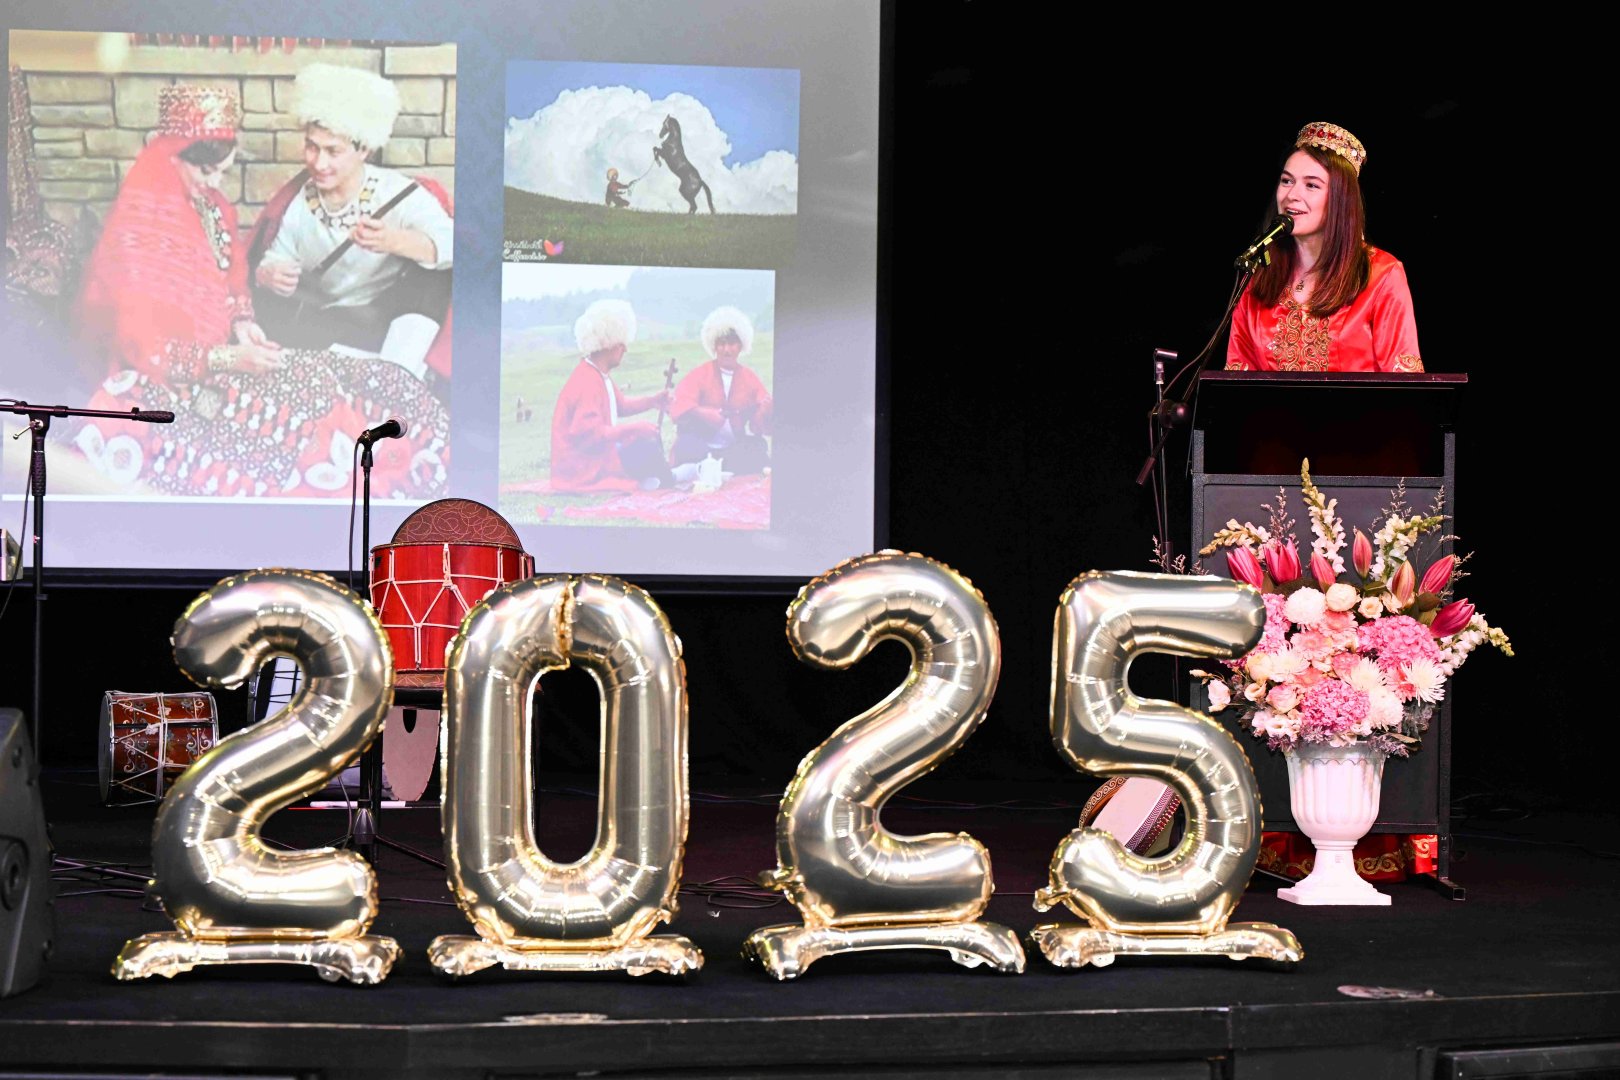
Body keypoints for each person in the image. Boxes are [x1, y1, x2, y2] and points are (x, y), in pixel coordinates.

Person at [72, 84, 448, 499]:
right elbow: (144, 345)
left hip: (253, 352)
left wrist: (244, 321)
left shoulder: (213, 206)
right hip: (171, 375)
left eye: (222, 172)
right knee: (299, 430)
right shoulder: (141, 226)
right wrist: (233, 351)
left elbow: (231, 277)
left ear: (363, 151)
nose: (214, 183)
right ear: (170, 156)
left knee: (336, 394)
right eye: (204, 170)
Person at [250, 63, 453, 382]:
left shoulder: (397, 193)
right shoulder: (298, 203)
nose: (319, 163)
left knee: (433, 276)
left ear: (364, 150)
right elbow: (275, 258)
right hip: (328, 324)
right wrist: (268, 274)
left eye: (333, 151)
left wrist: (394, 241)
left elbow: (454, 246)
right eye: (312, 147)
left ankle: (398, 377)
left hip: (390, 321)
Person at [1225, 122, 1423, 374]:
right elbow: (1235, 382)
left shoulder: (1382, 274)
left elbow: (1405, 386)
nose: (1292, 195)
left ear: (1340, 199)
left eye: (1311, 185)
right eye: (1287, 181)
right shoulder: (1258, 274)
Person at [549, 299, 674, 492]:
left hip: (596, 457)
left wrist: (652, 401)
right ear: (607, 344)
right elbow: (590, 434)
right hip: (582, 468)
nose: (625, 349)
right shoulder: (587, 382)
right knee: (645, 445)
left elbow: (620, 405)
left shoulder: (597, 374)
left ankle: (662, 479)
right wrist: (634, 428)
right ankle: (669, 479)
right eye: (621, 344)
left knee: (646, 439)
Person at [668, 306, 772, 476]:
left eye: (731, 343)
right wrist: (703, 413)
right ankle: (711, 470)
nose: (726, 349)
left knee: (758, 447)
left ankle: (706, 471)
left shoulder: (749, 378)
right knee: (685, 445)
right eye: (721, 344)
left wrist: (766, 410)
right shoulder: (700, 374)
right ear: (714, 347)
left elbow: (758, 426)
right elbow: (677, 406)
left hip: (731, 449)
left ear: (740, 346)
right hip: (700, 446)